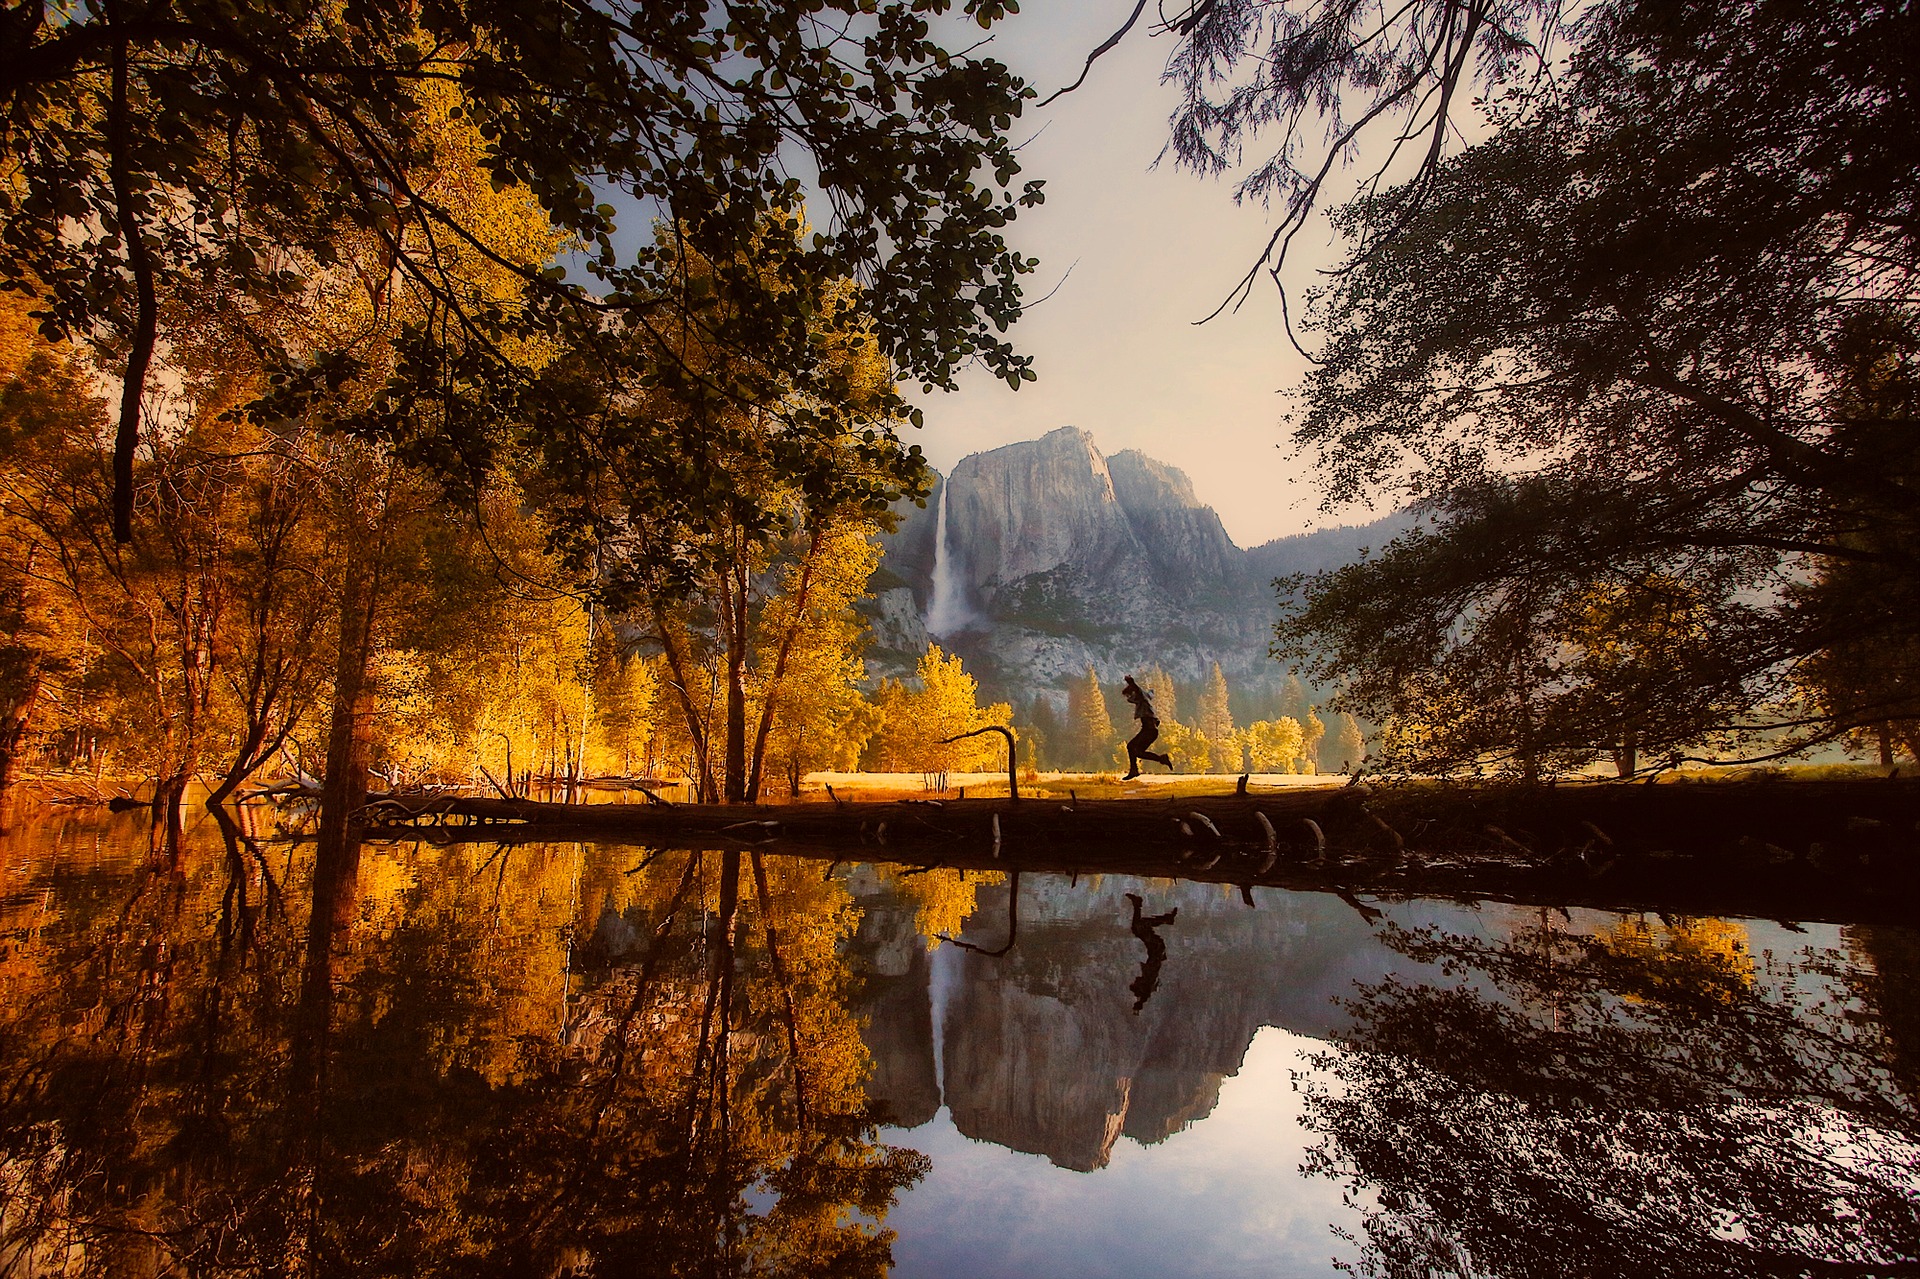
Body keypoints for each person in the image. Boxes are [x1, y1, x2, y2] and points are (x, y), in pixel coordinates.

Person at [1120, 675, 1173, 779]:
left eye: (1129, 695)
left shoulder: (1142, 697)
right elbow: (1147, 694)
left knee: (1133, 748)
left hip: (1149, 730)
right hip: (1149, 730)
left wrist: (1131, 682)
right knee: (1135, 750)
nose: (1129, 698)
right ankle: (1160, 759)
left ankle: (1135, 770)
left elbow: (1138, 690)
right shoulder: (1145, 699)